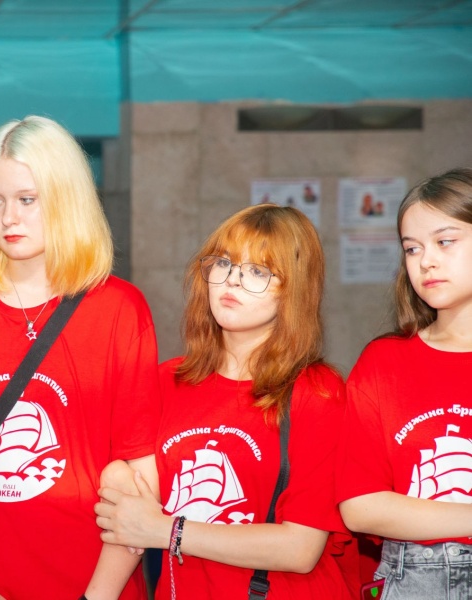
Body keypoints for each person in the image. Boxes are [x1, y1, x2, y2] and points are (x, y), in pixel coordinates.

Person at [0, 115, 161, 600]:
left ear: (66, 199)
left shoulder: (120, 310)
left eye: (26, 200)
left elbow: (139, 478)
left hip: (93, 583)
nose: (8, 219)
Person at [96, 204, 353, 600]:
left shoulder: (316, 391)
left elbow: (301, 548)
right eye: (224, 263)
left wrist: (167, 531)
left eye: (258, 271)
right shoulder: (166, 381)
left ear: (294, 291)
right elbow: (133, 504)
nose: (232, 279)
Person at [336, 167, 472, 598]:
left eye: (445, 241)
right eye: (412, 248)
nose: (425, 260)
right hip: (413, 578)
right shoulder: (385, 362)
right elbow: (360, 505)